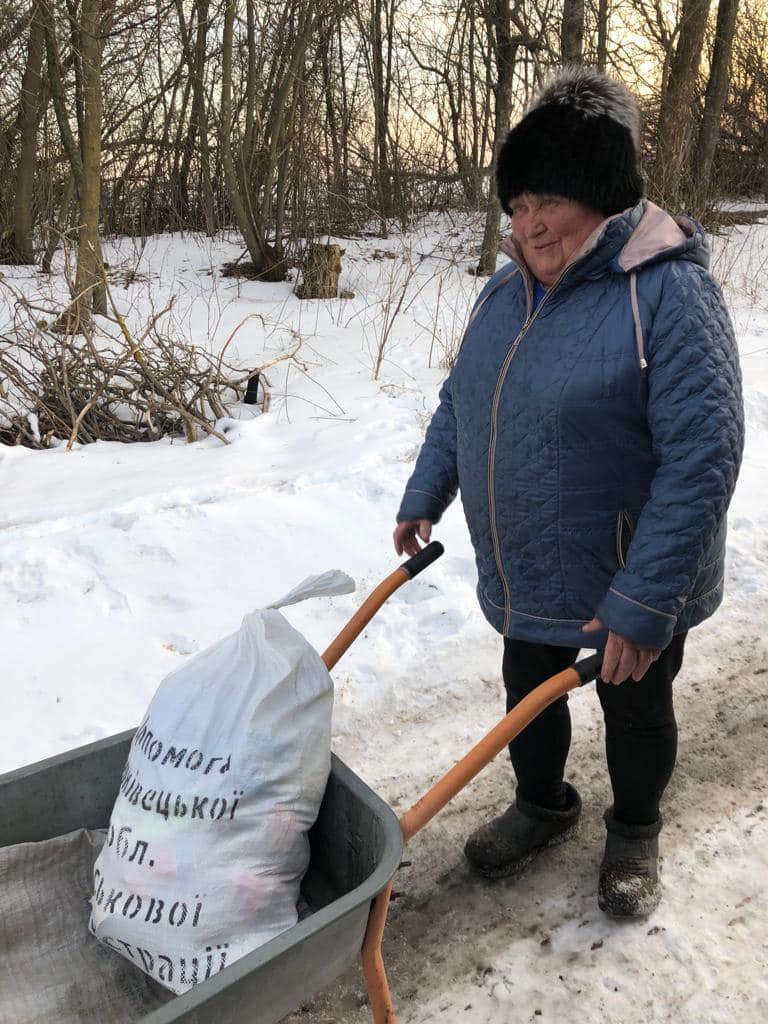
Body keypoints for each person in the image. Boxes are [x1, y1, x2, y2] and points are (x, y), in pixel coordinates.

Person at [393, 68, 744, 917]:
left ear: (599, 195)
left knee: (636, 711)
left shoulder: (668, 289)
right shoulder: (506, 291)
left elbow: (705, 452)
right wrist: (425, 488)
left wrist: (645, 595)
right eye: (515, 205)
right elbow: (463, 401)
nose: (529, 224)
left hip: (626, 566)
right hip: (527, 566)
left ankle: (634, 831)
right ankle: (542, 806)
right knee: (527, 692)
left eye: (547, 199)